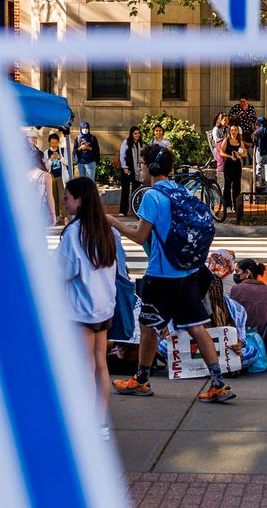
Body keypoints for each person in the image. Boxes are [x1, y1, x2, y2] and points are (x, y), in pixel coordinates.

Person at [107, 144, 235, 403]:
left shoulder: (152, 196)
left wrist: (113, 222)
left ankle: (141, 381)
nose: (140, 169)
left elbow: (140, 235)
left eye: (142, 165)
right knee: (198, 327)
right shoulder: (181, 191)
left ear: (152, 168)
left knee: (148, 327)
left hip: (161, 275)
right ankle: (218, 383)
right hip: (187, 273)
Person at [56, 177, 119, 434]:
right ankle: (100, 422)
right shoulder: (106, 230)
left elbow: (60, 271)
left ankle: (84, 424)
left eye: (68, 198)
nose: (64, 202)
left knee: (84, 366)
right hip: (104, 307)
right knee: (100, 364)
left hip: (81, 309)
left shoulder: (73, 233)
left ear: (79, 200)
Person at [229, 259, 267, 335]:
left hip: (243, 336)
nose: (235, 274)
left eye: (237, 271)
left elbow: (233, 316)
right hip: (265, 337)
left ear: (247, 272)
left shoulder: (237, 289)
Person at [27, 131, 57, 226]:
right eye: (32, 138)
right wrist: (53, 215)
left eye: (35, 138)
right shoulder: (46, 176)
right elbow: (49, 197)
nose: (34, 139)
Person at [220, 125, 246, 213]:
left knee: (237, 186)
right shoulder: (226, 141)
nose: (234, 132)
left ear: (238, 131)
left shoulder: (240, 142)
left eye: (235, 130)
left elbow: (244, 153)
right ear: (229, 131)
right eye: (232, 130)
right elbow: (221, 152)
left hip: (237, 165)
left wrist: (239, 154)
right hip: (228, 165)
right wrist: (230, 156)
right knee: (227, 186)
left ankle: (236, 206)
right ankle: (227, 206)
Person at [118, 126, 144, 216]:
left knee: (136, 190)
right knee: (125, 190)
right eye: (135, 133)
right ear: (131, 134)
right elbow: (122, 155)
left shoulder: (141, 144)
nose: (137, 135)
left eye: (138, 133)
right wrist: (124, 167)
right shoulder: (126, 142)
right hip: (127, 170)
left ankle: (136, 210)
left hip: (137, 171)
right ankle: (123, 211)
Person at [44, 133, 69, 225]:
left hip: (61, 177)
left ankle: (65, 217)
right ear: (49, 143)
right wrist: (50, 159)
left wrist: (60, 158)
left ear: (58, 142)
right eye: (52, 143)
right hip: (51, 178)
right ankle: (57, 216)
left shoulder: (63, 150)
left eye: (56, 143)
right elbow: (46, 167)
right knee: (54, 197)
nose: (54, 145)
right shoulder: (46, 153)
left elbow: (68, 163)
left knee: (62, 197)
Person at [211, 113, 229, 190]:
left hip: (226, 149)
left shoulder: (228, 128)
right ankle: (221, 188)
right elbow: (217, 142)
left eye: (227, 120)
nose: (226, 121)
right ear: (220, 120)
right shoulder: (216, 129)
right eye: (224, 119)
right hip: (218, 150)